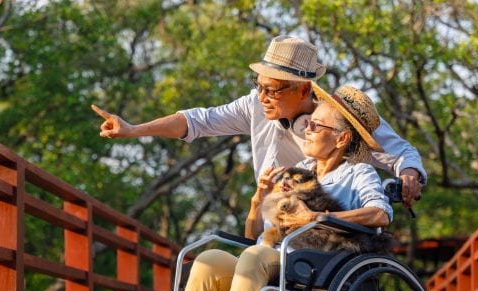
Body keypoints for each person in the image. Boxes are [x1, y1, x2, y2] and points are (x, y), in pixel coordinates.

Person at [172, 84, 393, 291]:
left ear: (342, 138)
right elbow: (253, 238)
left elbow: (380, 214)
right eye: (308, 123)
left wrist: (315, 217)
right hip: (275, 261)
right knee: (208, 261)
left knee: (256, 257)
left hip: (318, 267)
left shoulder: (359, 173)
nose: (307, 130)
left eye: (316, 126)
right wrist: (258, 200)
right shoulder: (299, 170)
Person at [91, 35, 426, 205]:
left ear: (304, 89)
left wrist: (409, 175)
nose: (263, 96)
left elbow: (401, 153)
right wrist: (134, 129)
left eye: (274, 90)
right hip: (272, 219)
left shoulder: (340, 117)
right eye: (259, 86)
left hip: (329, 226)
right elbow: (197, 121)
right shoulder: (255, 104)